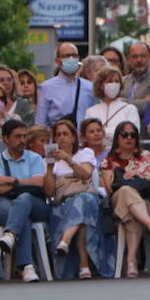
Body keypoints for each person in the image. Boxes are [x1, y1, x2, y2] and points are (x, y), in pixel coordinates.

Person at [0, 119, 50, 282]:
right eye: (17, 136)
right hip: (4, 203)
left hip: (35, 203)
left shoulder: (35, 158)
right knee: (22, 215)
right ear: (6, 139)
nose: (22, 140)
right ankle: (27, 267)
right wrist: (22, 182)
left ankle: (11, 236)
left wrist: (12, 181)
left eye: (24, 136)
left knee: (24, 199)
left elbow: (38, 183)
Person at [43, 119, 104, 279]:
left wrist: (68, 160)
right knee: (81, 209)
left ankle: (66, 240)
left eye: (66, 134)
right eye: (58, 135)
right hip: (63, 204)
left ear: (73, 137)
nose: (62, 138)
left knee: (83, 200)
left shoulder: (85, 153)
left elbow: (86, 175)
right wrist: (49, 168)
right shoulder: (49, 162)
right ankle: (84, 266)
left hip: (87, 198)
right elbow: (49, 192)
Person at [101, 120, 150, 278]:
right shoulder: (109, 161)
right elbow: (109, 188)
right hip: (117, 201)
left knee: (131, 213)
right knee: (126, 190)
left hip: (144, 202)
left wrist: (137, 176)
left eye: (133, 135)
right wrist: (125, 178)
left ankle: (131, 262)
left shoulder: (148, 157)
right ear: (117, 137)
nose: (129, 138)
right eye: (125, 134)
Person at [35, 43, 95, 130]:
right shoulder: (47, 87)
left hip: (83, 141)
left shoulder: (90, 87)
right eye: (67, 56)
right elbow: (40, 123)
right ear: (57, 61)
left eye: (74, 55)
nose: (71, 59)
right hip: (57, 140)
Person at [83, 67, 141, 149]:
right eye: (109, 81)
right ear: (101, 85)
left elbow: (132, 134)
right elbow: (88, 135)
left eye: (117, 81)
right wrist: (114, 133)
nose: (114, 84)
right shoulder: (91, 111)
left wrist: (103, 132)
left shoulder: (130, 109)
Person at [123, 41, 150, 110]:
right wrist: (141, 101)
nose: (139, 60)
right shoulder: (123, 80)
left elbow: (149, 105)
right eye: (135, 56)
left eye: (143, 56)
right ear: (129, 59)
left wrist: (121, 102)